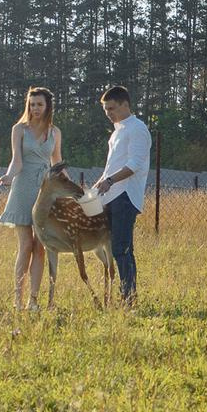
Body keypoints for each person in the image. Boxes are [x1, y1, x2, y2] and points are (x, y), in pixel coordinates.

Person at [0, 86, 63, 311]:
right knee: (25, 245)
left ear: (47, 107)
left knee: (40, 246)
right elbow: (17, 161)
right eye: (32, 104)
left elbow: (57, 164)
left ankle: (33, 300)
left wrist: (73, 189)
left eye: (39, 104)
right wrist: (8, 175)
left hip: (45, 189)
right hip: (23, 186)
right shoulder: (19, 129)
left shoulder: (55, 132)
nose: (35, 108)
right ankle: (17, 299)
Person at [90, 85, 151, 305]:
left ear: (125, 104)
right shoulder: (118, 130)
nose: (109, 114)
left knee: (122, 248)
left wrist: (110, 180)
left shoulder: (137, 128)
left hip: (125, 195)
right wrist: (101, 181)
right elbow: (112, 164)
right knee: (114, 246)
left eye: (112, 109)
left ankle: (128, 297)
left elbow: (134, 164)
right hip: (110, 194)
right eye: (106, 110)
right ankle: (124, 294)